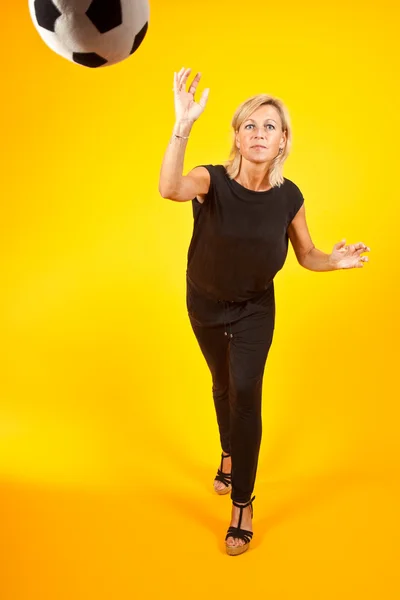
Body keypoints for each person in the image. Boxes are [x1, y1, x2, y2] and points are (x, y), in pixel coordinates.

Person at [158, 67, 370, 556]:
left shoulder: (289, 196)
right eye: (249, 124)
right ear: (237, 135)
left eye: (269, 126)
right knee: (221, 381)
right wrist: (182, 125)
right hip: (204, 302)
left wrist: (332, 261)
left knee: (246, 394)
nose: (259, 133)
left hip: (255, 308)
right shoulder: (209, 181)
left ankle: (242, 503)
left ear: (283, 141)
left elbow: (307, 254)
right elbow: (169, 189)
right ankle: (229, 453)